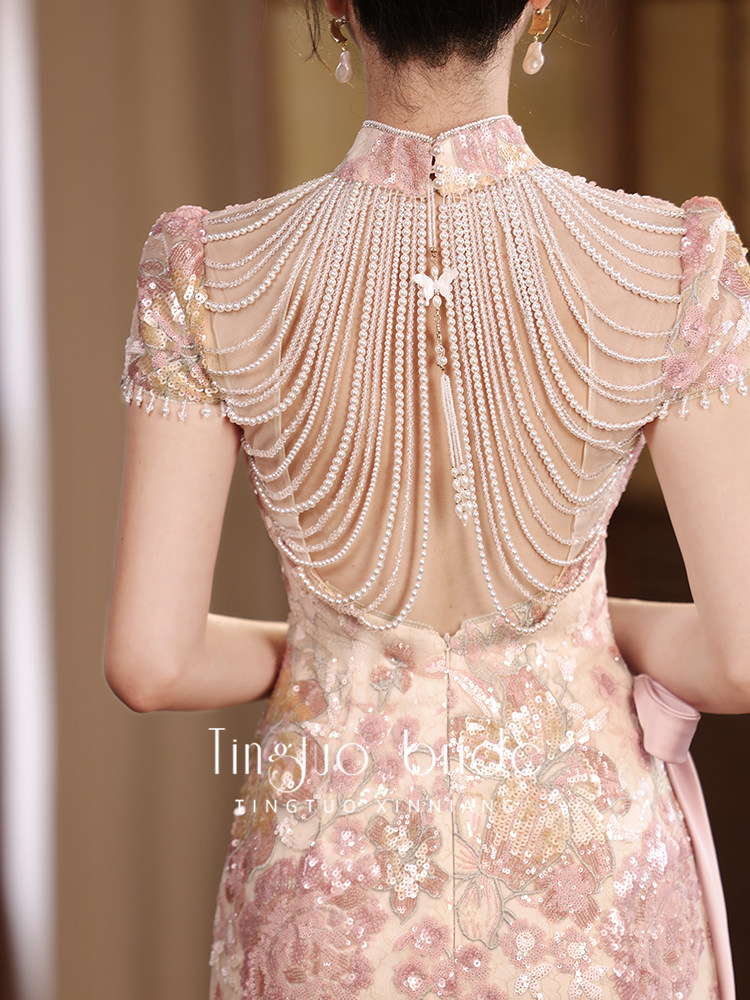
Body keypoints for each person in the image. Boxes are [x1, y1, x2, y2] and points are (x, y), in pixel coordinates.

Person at [104, 1, 750, 997]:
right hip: (583, 878)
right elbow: (739, 658)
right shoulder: (673, 259)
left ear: (336, 7)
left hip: (332, 879)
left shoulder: (205, 272)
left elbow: (151, 663)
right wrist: (587, 631)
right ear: (538, 5)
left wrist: (333, 655)